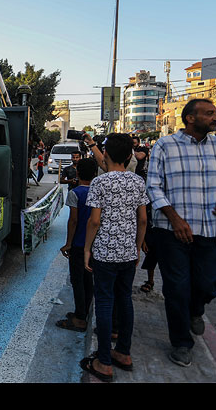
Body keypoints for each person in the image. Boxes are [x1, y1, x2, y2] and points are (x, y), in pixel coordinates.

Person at [146, 98, 216, 367]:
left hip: (209, 229)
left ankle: (196, 311)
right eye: (209, 114)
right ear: (190, 118)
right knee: (177, 288)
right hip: (171, 231)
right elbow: (152, 186)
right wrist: (174, 218)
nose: (215, 117)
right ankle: (181, 343)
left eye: (215, 113)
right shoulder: (165, 145)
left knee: (209, 282)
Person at [80, 133, 149, 382]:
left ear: (105, 155)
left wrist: (87, 249)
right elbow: (143, 219)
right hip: (128, 254)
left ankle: (104, 362)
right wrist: (138, 247)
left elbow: (94, 221)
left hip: (105, 254)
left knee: (105, 303)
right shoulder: (138, 182)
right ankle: (124, 354)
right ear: (130, 156)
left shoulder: (100, 183)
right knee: (125, 300)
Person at [56, 157, 98, 332]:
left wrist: (68, 243)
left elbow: (73, 221)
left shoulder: (75, 193)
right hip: (94, 244)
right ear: (95, 174)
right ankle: (83, 312)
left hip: (79, 244)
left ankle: (80, 318)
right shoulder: (97, 192)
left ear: (78, 172)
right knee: (88, 281)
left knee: (77, 280)